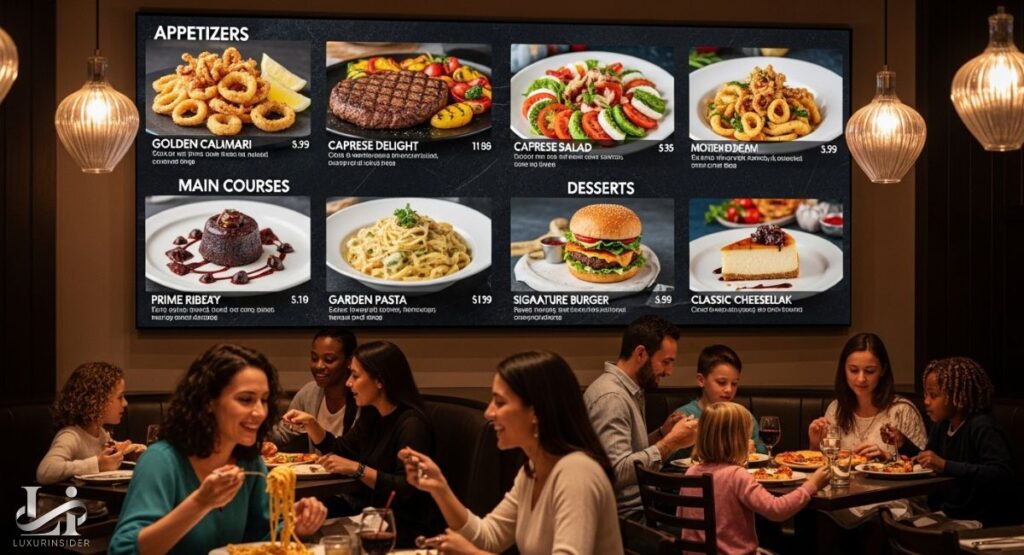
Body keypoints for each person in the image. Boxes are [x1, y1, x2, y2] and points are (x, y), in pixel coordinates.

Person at [398, 351, 623, 555]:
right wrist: (439, 487)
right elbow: (489, 537)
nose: (488, 413)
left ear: (536, 412)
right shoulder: (533, 469)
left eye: (499, 402)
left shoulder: (577, 473)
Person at [109, 344, 327, 554]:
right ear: (208, 401)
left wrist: (294, 526)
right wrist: (200, 502)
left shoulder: (250, 461)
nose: (260, 412)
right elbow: (124, 550)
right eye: (245, 399)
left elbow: (260, 538)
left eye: (264, 400)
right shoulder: (161, 460)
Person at [283, 340, 437, 547]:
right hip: (365, 514)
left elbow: (407, 488)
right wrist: (312, 425)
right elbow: (343, 451)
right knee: (297, 513)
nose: (348, 383)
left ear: (380, 381)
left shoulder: (412, 425)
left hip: (399, 525)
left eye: (355, 376)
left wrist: (358, 469)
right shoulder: (372, 414)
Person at [583, 314, 698, 519]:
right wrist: (670, 443)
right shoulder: (612, 398)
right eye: (666, 362)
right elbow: (616, 471)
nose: (669, 371)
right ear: (641, 354)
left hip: (641, 508)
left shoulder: (629, 389)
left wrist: (663, 433)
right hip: (625, 520)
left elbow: (630, 453)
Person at [682, 402, 830, 554]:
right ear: (736, 440)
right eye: (747, 436)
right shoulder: (736, 475)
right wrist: (812, 485)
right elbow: (777, 510)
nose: (751, 442)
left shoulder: (691, 472)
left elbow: (683, 520)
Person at [892, 357, 1017, 526]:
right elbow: (928, 463)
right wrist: (903, 444)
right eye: (926, 394)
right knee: (895, 527)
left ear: (960, 397)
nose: (926, 401)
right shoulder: (942, 425)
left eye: (934, 395)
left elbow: (1001, 473)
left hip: (980, 518)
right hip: (948, 512)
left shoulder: (982, 426)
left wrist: (945, 465)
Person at [808, 333, 927, 459]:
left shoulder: (902, 411)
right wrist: (815, 444)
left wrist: (887, 458)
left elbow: (922, 463)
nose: (861, 379)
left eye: (869, 371)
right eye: (853, 370)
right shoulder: (836, 409)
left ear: (883, 370)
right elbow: (822, 465)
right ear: (844, 370)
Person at [37, 362, 144, 485]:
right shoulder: (71, 436)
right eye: (120, 397)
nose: (125, 403)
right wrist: (97, 464)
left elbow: (104, 454)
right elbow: (45, 471)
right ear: (97, 400)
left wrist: (127, 453)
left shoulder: (101, 434)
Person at [265, 328, 358, 454]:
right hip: (315, 471)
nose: (319, 366)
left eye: (329, 360)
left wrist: (313, 426)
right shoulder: (309, 393)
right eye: (314, 358)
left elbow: (357, 451)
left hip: (352, 473)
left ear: (349, 361)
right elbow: (282, 435)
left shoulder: (362, 396)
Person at [670, 344, 765, 461]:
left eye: (734, 383)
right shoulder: (684, 415)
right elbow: (669, 458)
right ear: (701, 380)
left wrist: (751, 449)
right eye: (721, 382)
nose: (729, 390)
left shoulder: (744, 417)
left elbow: (762, 455)